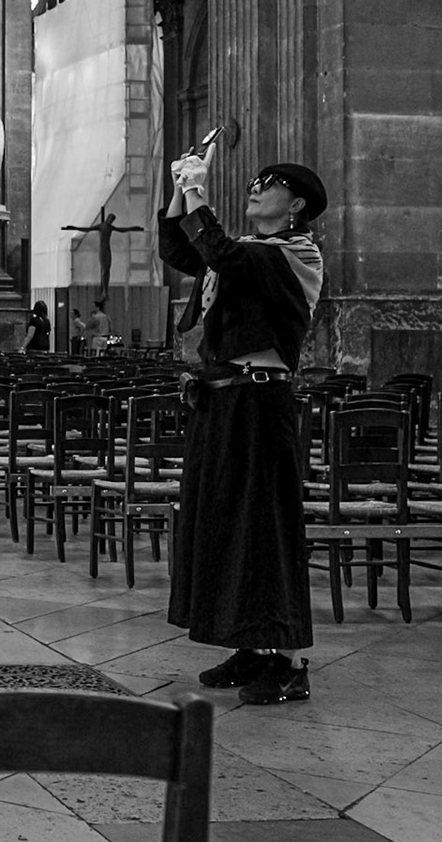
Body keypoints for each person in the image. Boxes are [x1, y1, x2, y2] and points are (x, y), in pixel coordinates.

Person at [159, 142, 325, 706]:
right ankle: (249, 645)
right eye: (254, 182)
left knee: (265, 529)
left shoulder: (295, 255)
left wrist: (199, 191)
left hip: (259, 405)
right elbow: (182, 249)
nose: (255, 189)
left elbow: (222, 253)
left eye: (269, 185)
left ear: (296, 205)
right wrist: (180, 191)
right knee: (224, 525)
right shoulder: (251, 252)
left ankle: (288, 663)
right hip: (223, 402)